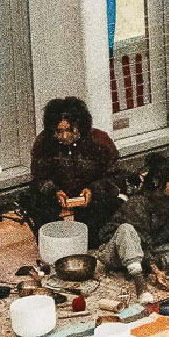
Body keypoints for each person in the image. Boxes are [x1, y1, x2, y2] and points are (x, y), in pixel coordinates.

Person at [98, 153, 169, 288]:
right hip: (121, 250)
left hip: (151, 249)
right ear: (156, 181)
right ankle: (140, 281)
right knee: (127, 231)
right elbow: (141, 241)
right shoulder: (138, 203)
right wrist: (154, 268)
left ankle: (149, 266)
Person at [23, 96, 122, 242]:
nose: (65, 136)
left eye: (70, 130)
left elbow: (115, 176)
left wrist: (93, 190)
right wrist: (54, 191)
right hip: (56, 201)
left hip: (92, 201)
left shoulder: (99, 141)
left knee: (96, 233)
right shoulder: (44, 143)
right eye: (59, 131)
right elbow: (39, 177)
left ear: (80, 126)